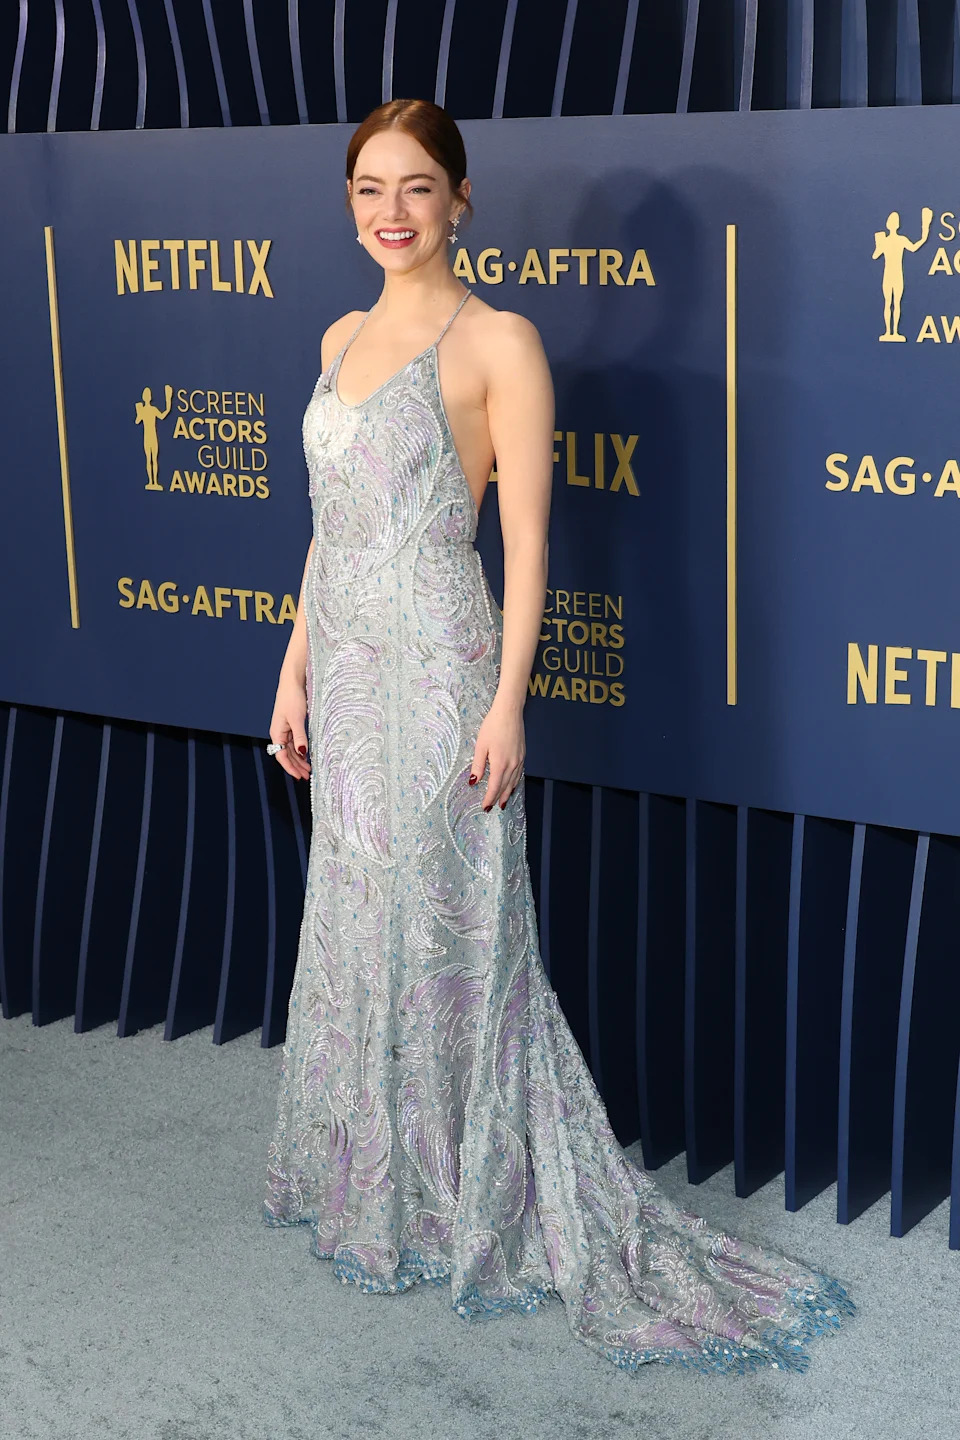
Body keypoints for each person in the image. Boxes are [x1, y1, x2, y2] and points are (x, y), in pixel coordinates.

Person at [262, 98, 855, 1374]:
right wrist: (293, 666)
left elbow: (528, 543)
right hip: (351, 674)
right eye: (370, 188)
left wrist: (506, 702)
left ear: (463, 199)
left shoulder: (501, 344)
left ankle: (480, 1188)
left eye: (419, 188)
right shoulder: (337, 334)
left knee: (455, 939)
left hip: (442, 667)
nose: (392, 213)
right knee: (363, 919)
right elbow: (327, 524)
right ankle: (390, 1186)